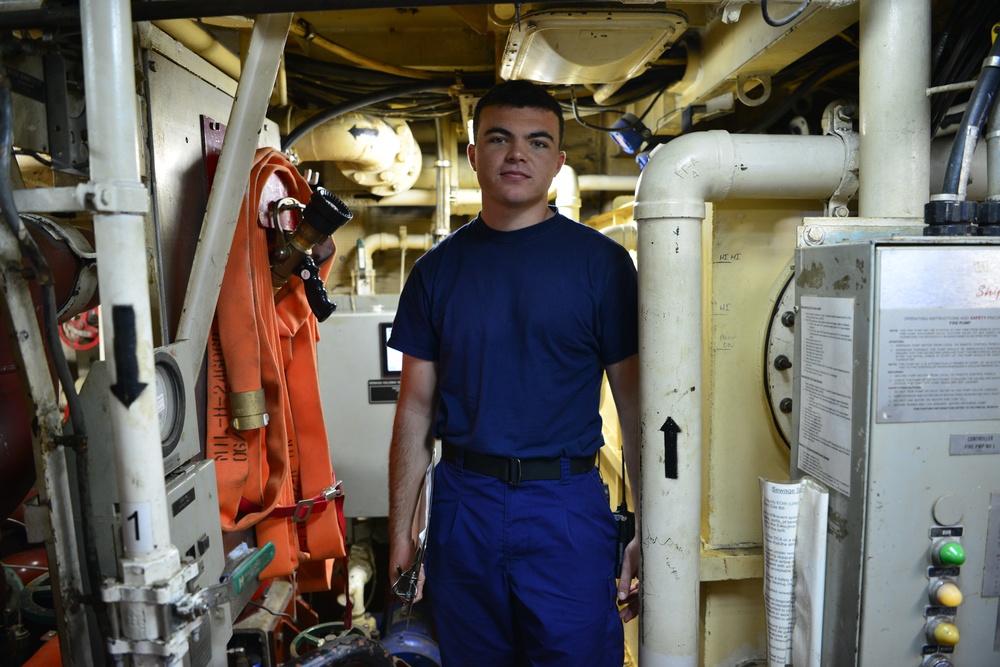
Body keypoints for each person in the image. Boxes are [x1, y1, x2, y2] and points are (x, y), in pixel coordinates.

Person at [387, 79, 640, 667]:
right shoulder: (435, 273)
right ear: (474, 155)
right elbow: (415, 411)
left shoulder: (601, 266)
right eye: (499, 138)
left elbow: (635, 408)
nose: (517, 154)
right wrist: (403, 531)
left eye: (536, 141)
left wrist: (646, 531)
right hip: (465, 505)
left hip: (566, 509)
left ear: (557, 161)